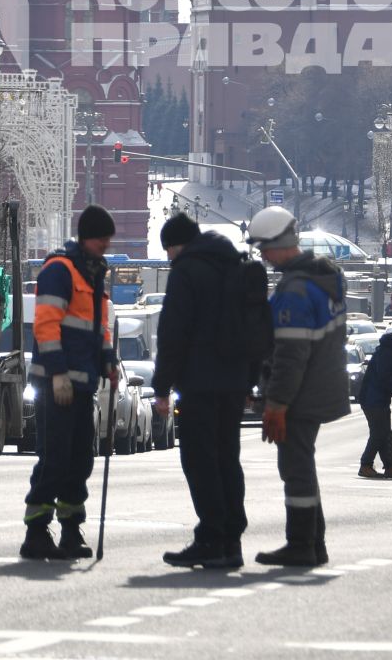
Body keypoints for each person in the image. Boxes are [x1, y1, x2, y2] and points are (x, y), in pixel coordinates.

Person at [154, 211, 258, 570]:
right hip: (233, 384)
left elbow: (173, 332)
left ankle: (211, 536)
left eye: (168, 251)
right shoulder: (237, 265)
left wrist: (161, 387)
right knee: (227, 458)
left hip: (199, 383)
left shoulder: (187, 271)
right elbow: (256, 326)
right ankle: (231, 540)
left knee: (199, 460)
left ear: (177, 245)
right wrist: (250, 380)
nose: (169, 259)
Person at [247, 205, 348, 568]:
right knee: (303, 464)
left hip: (301, 394)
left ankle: (301, 544)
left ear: (279, 243)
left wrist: (276, 404)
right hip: (321, 386)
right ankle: (313, 543)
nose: (262, 256)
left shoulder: (295, 291)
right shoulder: (324, 278)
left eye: (263, 248)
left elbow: (291, 355)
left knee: (295, 467)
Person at [22, 205, 121, 561]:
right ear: (86, 237)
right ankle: (36, 531)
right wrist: (58, 372)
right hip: (57, 383)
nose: (106, 246)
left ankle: (70, 530)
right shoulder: (60, 270)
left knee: (80, 460)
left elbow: (99, 327)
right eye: (101, 239)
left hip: (83, 384)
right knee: (55, 459)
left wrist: (108, 359)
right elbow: (46, 326)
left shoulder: (93, 273)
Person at [357, 329, 392, 479]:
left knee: (384, 434)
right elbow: (386, 380)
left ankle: (390, 466)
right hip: (372, 399)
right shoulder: (387, 355)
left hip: (379, 399)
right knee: (378, 433)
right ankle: (366, 464)